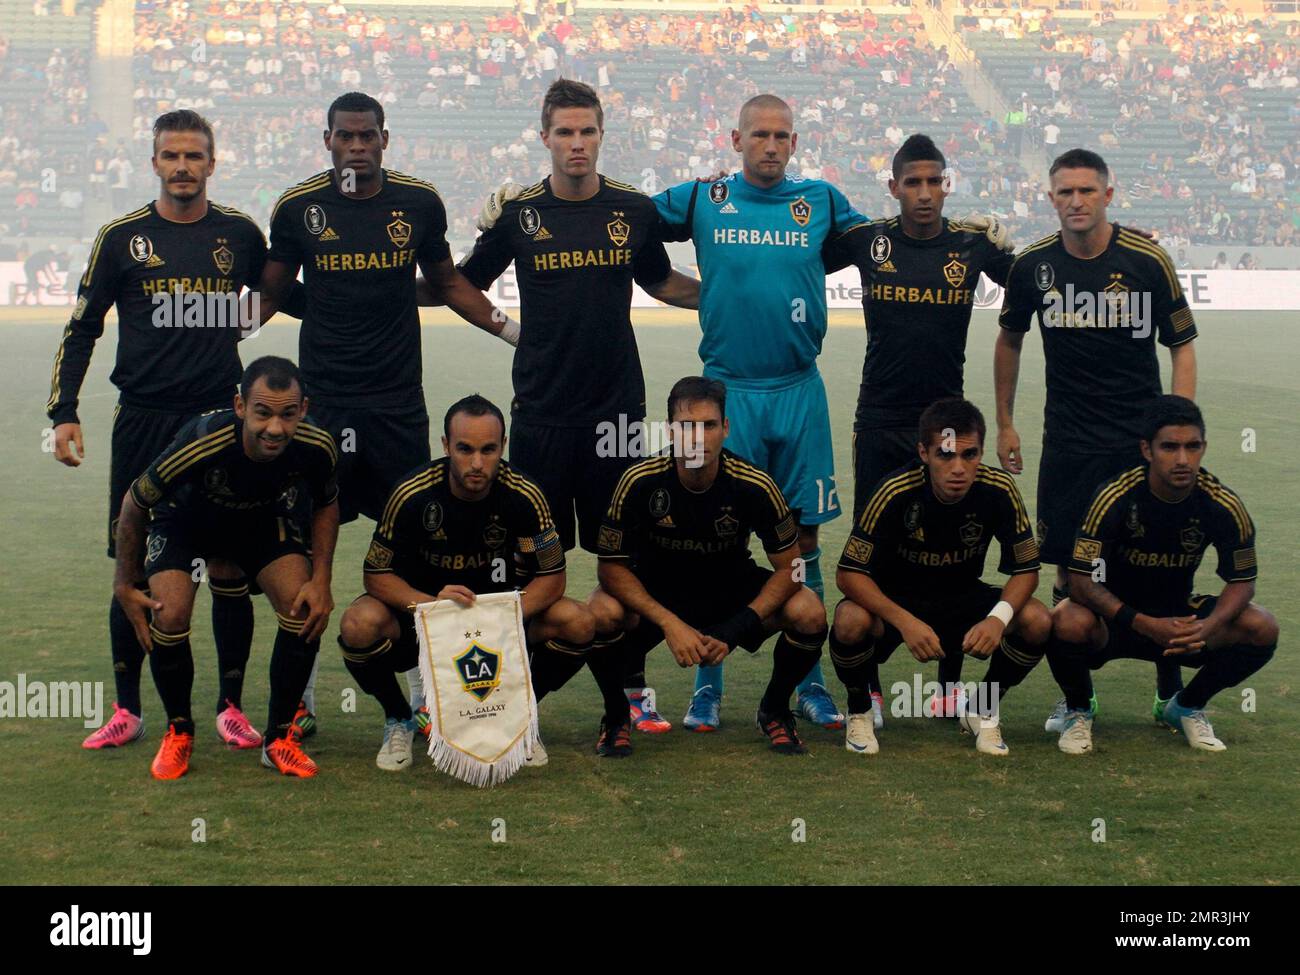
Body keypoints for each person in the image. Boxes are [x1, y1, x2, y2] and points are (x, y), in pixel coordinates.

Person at [454, 79, 701, 735]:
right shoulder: (519, 213)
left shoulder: (631, 209)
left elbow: (661, 280)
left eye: (587, 131)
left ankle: (632, 690)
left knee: (627, 560)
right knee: (534, 563)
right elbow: (458, 283)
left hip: (618, 413)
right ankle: (507, 692)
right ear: (545, 138)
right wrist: (510, 330)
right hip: (540, 413)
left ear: (600, 135)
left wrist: (727, 298)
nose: (576, 144)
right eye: (564, 132)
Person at [257, 91, 505, 737]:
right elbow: (273, 295)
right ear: (328, 139)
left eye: (368, 135)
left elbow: (448, 283)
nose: (358, 145)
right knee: (310, 553)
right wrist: (199, 333)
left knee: (419, 552)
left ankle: (430, 696)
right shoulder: (298, 207)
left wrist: (515, 332)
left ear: (385, 140)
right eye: (346, 136)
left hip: (395, 404)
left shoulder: (417, 203)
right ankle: (298, 700)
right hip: (323, 405)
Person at [48, 110, 275, 752]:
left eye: (193, 155)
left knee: (229, 565)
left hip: (217, 421)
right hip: (143, 420)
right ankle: (129, 709)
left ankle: (231, 707)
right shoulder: (121, 238)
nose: (182, 166)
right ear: (154, 163)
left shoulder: (238, 233)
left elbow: (280, 291)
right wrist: (64, 411)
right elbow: (83, 326)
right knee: (135, 564)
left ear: (211, 162)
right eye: (170, 155)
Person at [995, 147, 1197, 721]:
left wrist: (1175, 425)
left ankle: (1170, 694)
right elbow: (1009, 339)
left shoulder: (1146, 260)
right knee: (1067, 568)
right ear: (1052, 198)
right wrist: (1007, 422)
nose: (1076, 201)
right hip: (1069, 444)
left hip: (1138, 444)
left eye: (1087, 191)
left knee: (1157, 560)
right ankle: (1076, 698)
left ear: (1108, 194)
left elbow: (1181, 342)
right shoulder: (1034, 265)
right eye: (1066, 192)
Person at [822, 133, 1015, 727]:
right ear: (894, 187)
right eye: (913, 182)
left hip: (946, 420)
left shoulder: (973, 245)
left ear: (946, 184)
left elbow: (1040, 278)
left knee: (952, 544)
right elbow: (794, 256)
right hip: (879, 419)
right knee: (875, 547)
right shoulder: (866, 241)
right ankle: (872, 691)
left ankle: (951, 687)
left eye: (935, 182)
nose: (925, 194)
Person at [337, 395, 600, 770]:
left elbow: (552, 576)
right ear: (445, 446)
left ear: (503, 447)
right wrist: (432, 607)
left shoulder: (525, 496)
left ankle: (521, 716)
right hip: (425, 622)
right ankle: (399, 717)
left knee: (579, 620)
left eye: (488, 450)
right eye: (465, 449)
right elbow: (377, 575)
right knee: (358, 624)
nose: (477, 463)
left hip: (499, 628)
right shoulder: (412, 495)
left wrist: (501, 617)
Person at [112, 356, 340, 779]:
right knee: (171, 613)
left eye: (288, 414)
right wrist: (125, 582)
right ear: (240, 407)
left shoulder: (316, 444)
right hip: (186, 524)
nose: (275, 428)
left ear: (303, 409)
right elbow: (135, 501)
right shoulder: (202, 439)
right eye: (263, 413)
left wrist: (321, 577)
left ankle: (278, 739)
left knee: (304, 608)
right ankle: (179, 731)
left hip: (257, 522)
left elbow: (326, 503)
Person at [589, 377, 829, 755]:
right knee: (600, 611)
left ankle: (775, 710)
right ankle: (617, 716)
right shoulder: (638, 481)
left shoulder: (755, 485)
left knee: (809, 612)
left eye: (708, 426)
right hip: (659, 594)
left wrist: (738, 626)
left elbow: (792, 569)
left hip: (728, 591)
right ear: (670, 430)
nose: (697, 438)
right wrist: (669, 623)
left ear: (726, 429)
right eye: (687, 426)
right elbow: (610, 568)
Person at [1046, 396, 1277, 754]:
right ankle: (1078, 709)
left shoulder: (1223, 504)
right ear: (1147, 449)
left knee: (1262, 626)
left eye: (1192, 446)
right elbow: (1080, 580)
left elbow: (1242, 581)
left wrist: (1209, 626)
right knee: (1065, 619)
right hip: (1115, 619)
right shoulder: (1116, 496)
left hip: (1179, 621)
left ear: (1204, 447)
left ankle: (1185, 706)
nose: (1183, 459)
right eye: (1170, 447)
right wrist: (1142, 623)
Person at [832, 398, 1049, 757]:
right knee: (849, 618)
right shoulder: (894, 491)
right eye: (945, 455)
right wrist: (905, 622)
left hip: (963, 600)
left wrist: (997, 620)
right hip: (900, 601)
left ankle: (982, 708)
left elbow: (1026, 570)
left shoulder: (999, 489)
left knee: (1037, 619)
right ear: (924, 452)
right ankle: (860, 710)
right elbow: (849, 574)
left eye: (970, 455)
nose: (959, 468)